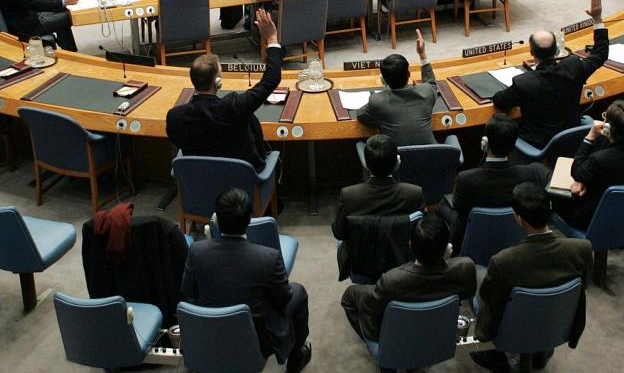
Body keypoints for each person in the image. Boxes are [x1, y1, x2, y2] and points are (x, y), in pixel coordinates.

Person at [183, 188, 311, 373]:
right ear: (249, 220)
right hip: (258, 336)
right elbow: (284, 298)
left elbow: (188, 293)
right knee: (298, 292)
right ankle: (296, 357)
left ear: (217, 220)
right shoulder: (268, 257)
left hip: (210, 331)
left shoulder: (196, 251)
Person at [470, 183, 591, 373]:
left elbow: (489, 298)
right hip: (556, 320)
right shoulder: (581, 249)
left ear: (519, 218)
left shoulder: (503, 261)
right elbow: (581, 287)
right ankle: (541, 351)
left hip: (511, 327)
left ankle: (494, 356)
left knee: (476, 272)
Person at [166, 10, 281, 168]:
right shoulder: (233, 107)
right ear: (218, 82)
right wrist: (272, 38)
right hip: (242, 179)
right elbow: (270, 80)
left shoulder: (174, 117)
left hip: (199, 181)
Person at [493, 0, 610, 147]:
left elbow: (500, 101)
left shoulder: (524, 82)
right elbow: (600, 53)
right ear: (556, 51)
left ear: (531, 52)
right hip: (572, 140)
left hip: (538, 145)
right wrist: (597, 18)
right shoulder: (574, 67)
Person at [341, 213, 477, 342]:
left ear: (410, 244)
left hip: (394, 336)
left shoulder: (392, 280)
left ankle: (384, 349)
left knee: (349, 295)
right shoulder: (466, 268)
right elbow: (466, 292)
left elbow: (370, 307)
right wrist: (444, 261)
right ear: (447, 246)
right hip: (438, 329)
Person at [447, 114, 549, 248]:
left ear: (485, 143)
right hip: (515, 239)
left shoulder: (466, 179)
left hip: (476, 240)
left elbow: (459, 207)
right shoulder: (532, 172)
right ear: (513, 144)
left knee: (445, 205)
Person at [553, 101, 624, 229]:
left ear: (608, 128)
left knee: (538, 173)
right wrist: (587, 181)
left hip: (595, 220)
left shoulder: (600, 160)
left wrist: (591, 136)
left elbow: (576, 172)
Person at [356, 30, 439, 147]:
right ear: (409, 74)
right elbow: (431, 82)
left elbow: (361, 115)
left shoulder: (377, 101)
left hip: (396, 162)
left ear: (383, 80)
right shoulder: (427, 92)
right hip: (432, 161)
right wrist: (422, 54)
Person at [332, 135, 425, 238]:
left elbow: (339, 233)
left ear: (366, 165)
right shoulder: (414, 193)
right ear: (397, 163)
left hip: (360, 252)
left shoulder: (349, 195)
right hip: (400, 252)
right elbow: (420, 233)